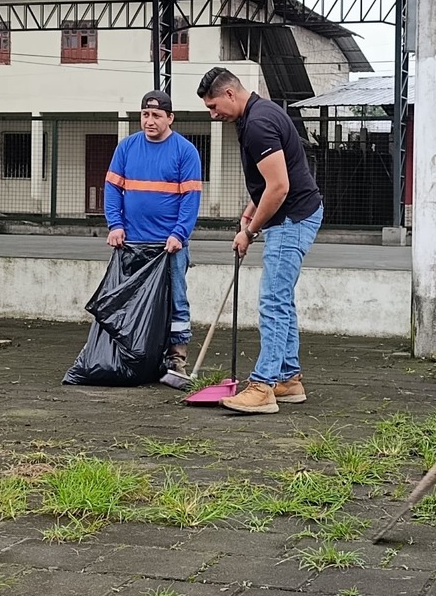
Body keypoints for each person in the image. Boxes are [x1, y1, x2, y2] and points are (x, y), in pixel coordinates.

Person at [196, 67, 322, 414]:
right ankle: (289, 380)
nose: (213, 114)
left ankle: (263, 386)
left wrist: (250, 231)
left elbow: (279, 187)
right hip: (294, 214)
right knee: (282, 299)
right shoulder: (259, 113)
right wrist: (251, 210)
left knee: (273, 301)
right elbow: (274, 179)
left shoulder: (258, 124)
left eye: (213, 106)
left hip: (292, 217)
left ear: (229, 94)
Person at [103, 89, 204, 376]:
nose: (150, 121)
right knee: (129, 301)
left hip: (168, 246)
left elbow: (191, 198)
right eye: (145, 114)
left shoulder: (185, 151)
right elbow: (112, 189)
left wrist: (179, 234)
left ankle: (176, 357)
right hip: (132, 243)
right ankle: (135, 354)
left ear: (170, 118)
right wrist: (115, 225)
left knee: (175, 300)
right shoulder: (126, 148)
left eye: (157, 115)